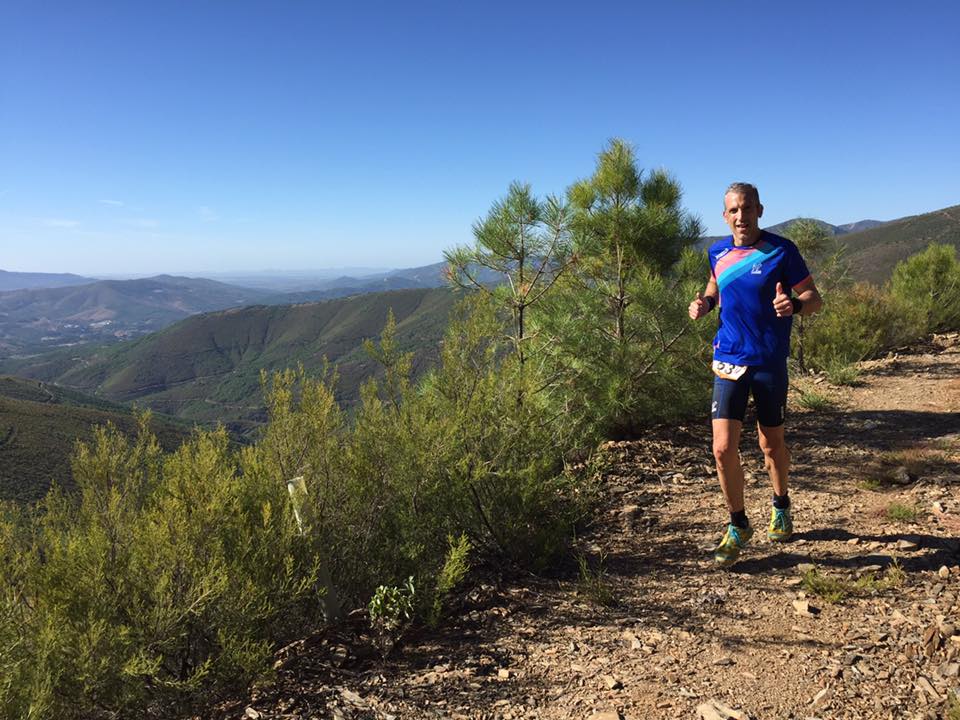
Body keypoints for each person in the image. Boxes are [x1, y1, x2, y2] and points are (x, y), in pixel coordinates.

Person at [688, 182, 823, 567]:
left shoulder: (781, 250)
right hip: (729, 358)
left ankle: (781, 503)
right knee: (721, 448)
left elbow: (815, 298)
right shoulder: (717, 251)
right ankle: (738, 524)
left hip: (768, 361)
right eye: (733, 210)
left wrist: (795, 305)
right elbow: (716, 283)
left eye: (746, 209)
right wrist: (706, 303)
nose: (740, 216)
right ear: (724, 215)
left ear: (759, 210)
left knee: (770, 444)